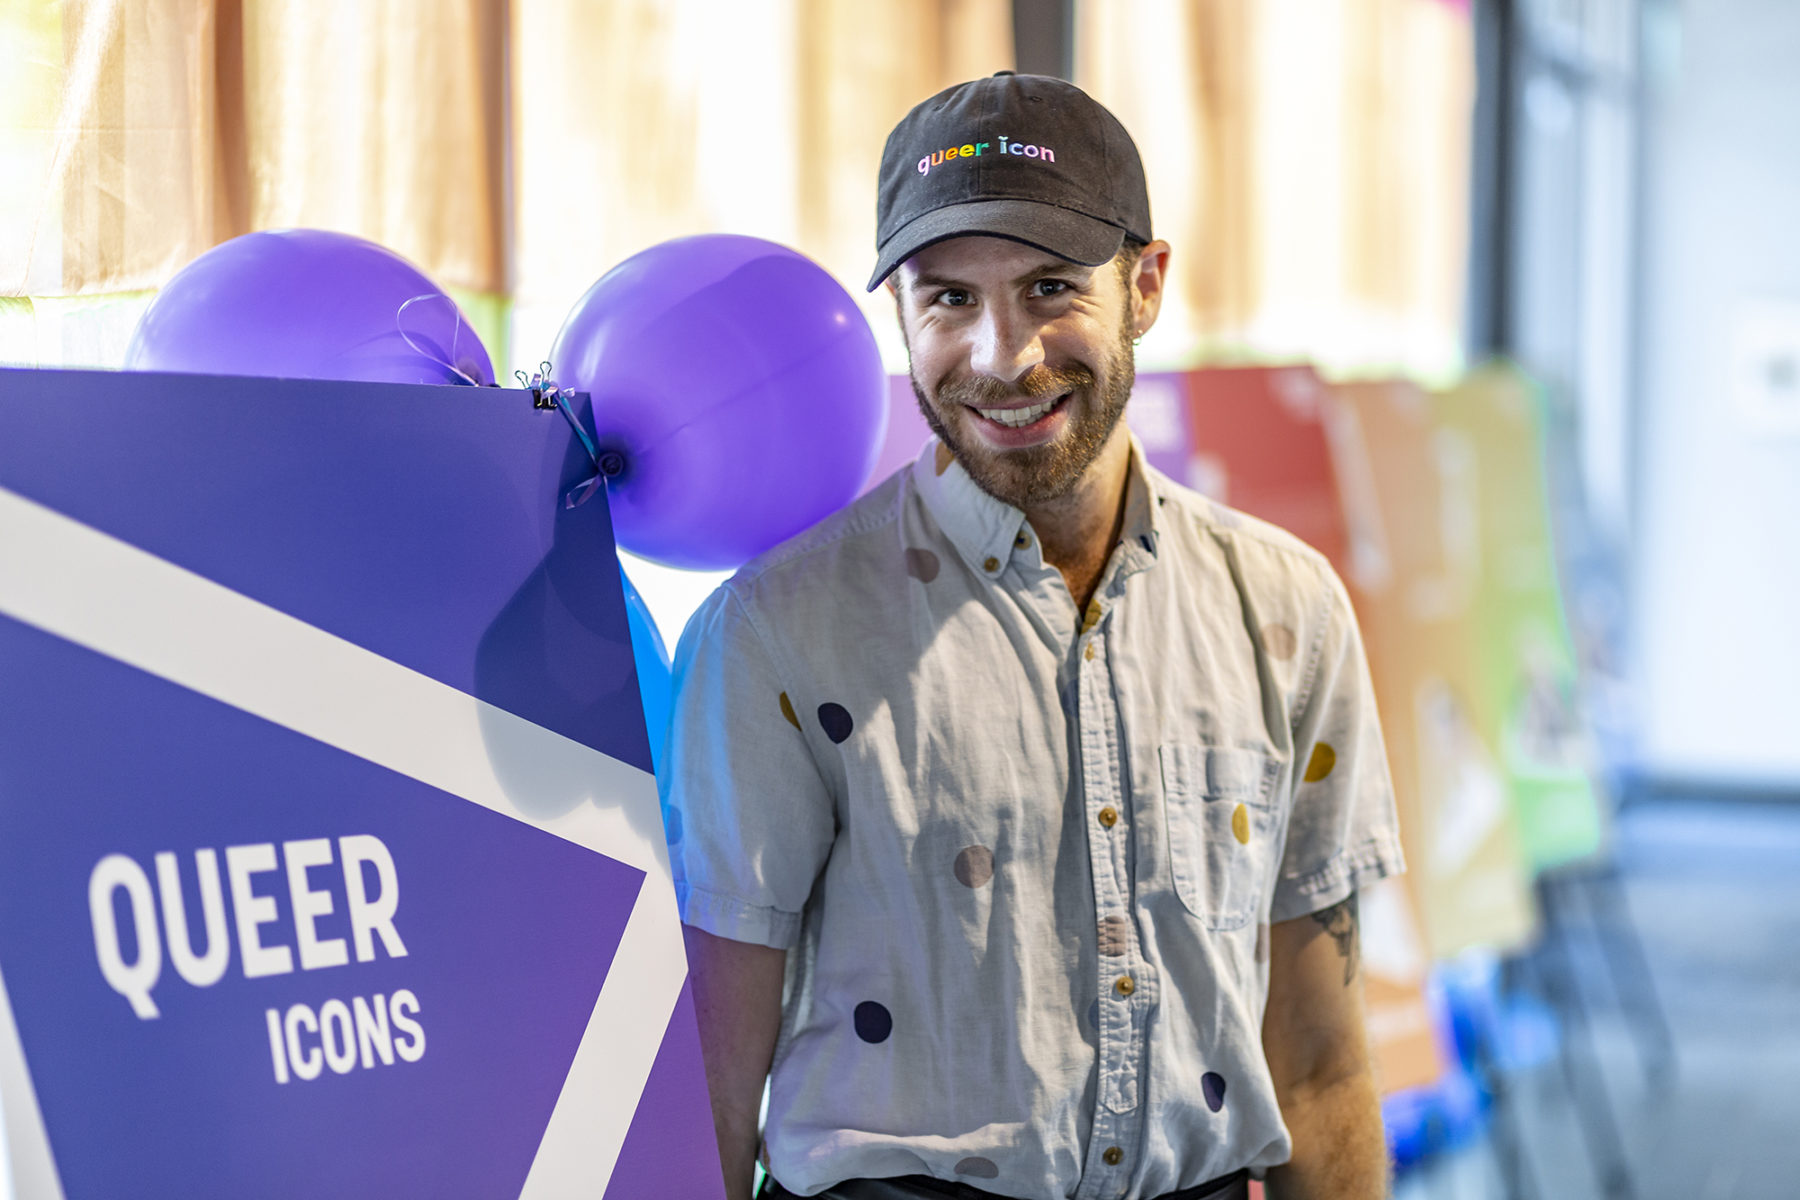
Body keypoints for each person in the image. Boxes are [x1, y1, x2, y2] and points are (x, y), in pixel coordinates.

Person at [664, 71, 1403, 1200]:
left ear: (1146, 284)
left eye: (1051, 287)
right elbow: (712, 1085)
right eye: (949, 299)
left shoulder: (1288, 613)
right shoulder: (774, 634)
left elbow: (1318, 1067)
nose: (1004, 358)